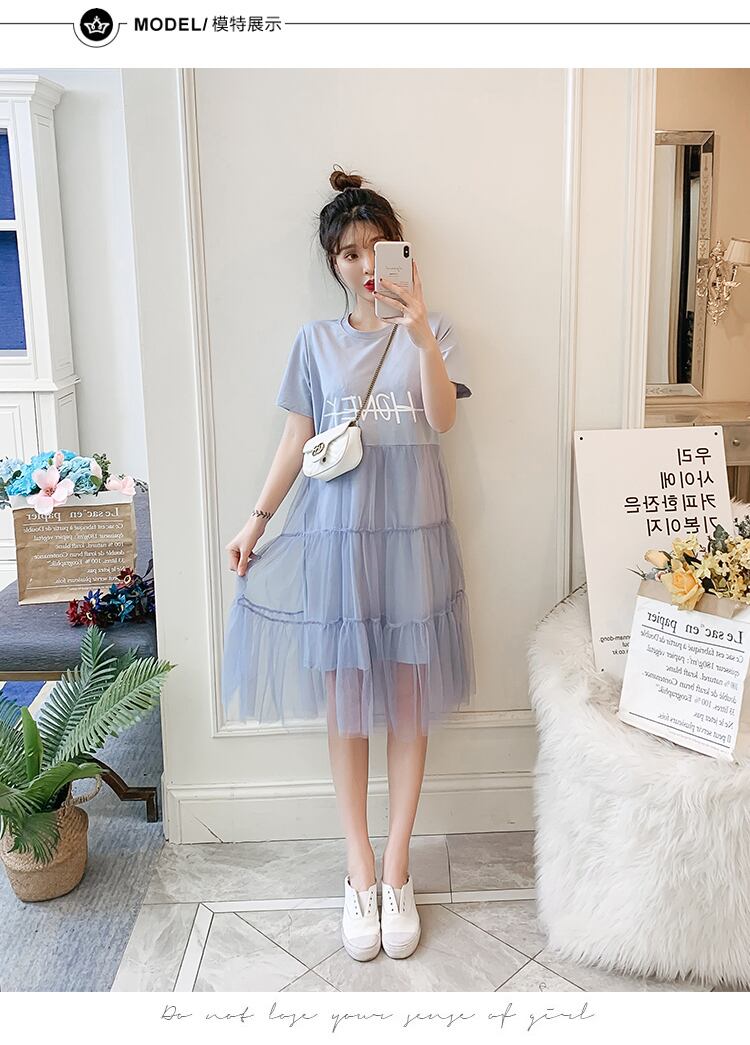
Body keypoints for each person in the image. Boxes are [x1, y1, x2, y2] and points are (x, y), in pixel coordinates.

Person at [222, 166, 476, 961]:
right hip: (339, 539)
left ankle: (397, 868)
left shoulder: (435, 330)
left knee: (405, 698)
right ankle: (358, 866)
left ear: (400, 251)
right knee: (346, 703)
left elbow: (442, 419)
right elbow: (296, 440)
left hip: (413, 537)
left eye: (377, 248)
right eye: (349, 253)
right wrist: (257, 519)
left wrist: (422, 333)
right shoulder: (315, 342)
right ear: (332, 263)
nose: (365, 264)